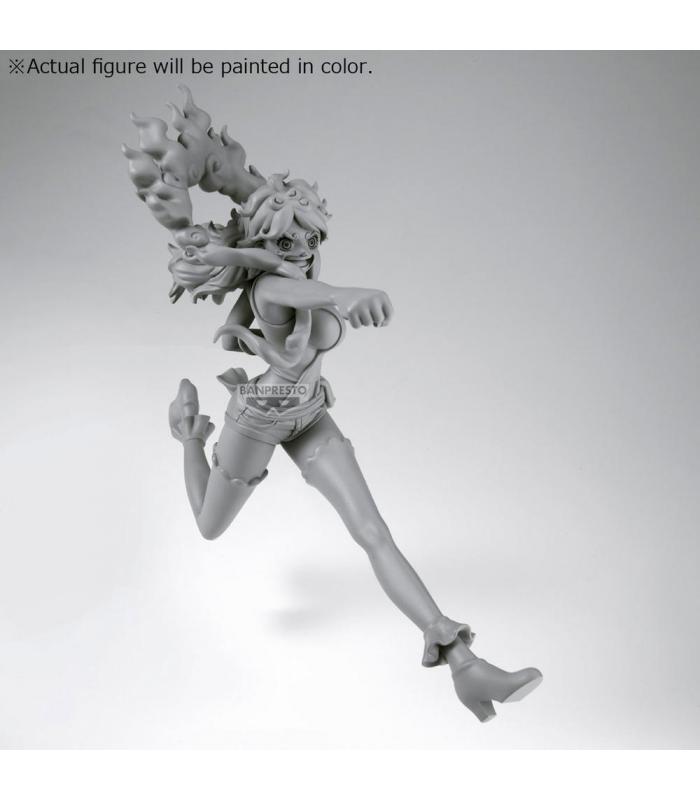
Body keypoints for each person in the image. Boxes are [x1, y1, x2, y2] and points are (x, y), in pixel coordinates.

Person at [124, 87, 542, 722]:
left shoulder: (293, 250)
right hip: (260, 416)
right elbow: (303, 288)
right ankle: (188, 436)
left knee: (373, 533)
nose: (302, 247)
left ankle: (463, 663)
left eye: (309, 236)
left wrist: (210, 166)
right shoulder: (275, 285)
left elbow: (256, 201)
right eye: (289, 241)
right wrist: (343, 294)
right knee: (210, 526)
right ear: (268, 247)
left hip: (310, 411)